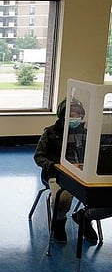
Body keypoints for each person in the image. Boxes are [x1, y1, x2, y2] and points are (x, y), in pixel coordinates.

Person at [34, 99, 93, 243]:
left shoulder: (86, 133)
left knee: (98, 195)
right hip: (57, 174)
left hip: (82, 174)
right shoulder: (50, 132)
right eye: (71, 112)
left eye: (78, 113)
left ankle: (85, 218)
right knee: (63, 198)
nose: (75, 115)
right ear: (63, 114)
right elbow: (38, 156)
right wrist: (52, 165)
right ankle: (59, 223)